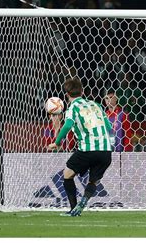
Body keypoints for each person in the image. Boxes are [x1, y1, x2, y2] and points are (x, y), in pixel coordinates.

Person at [47, 78, 113, 217]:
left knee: (67, 174)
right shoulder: (97, 105)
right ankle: (83, 202)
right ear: (82, 91)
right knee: (94, 180)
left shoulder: (73, 108)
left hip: (88, 149)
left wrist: (57, 142)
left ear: (67, 95)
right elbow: (108, 127)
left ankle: (73, 209)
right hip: (106, 151)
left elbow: (67, 125)